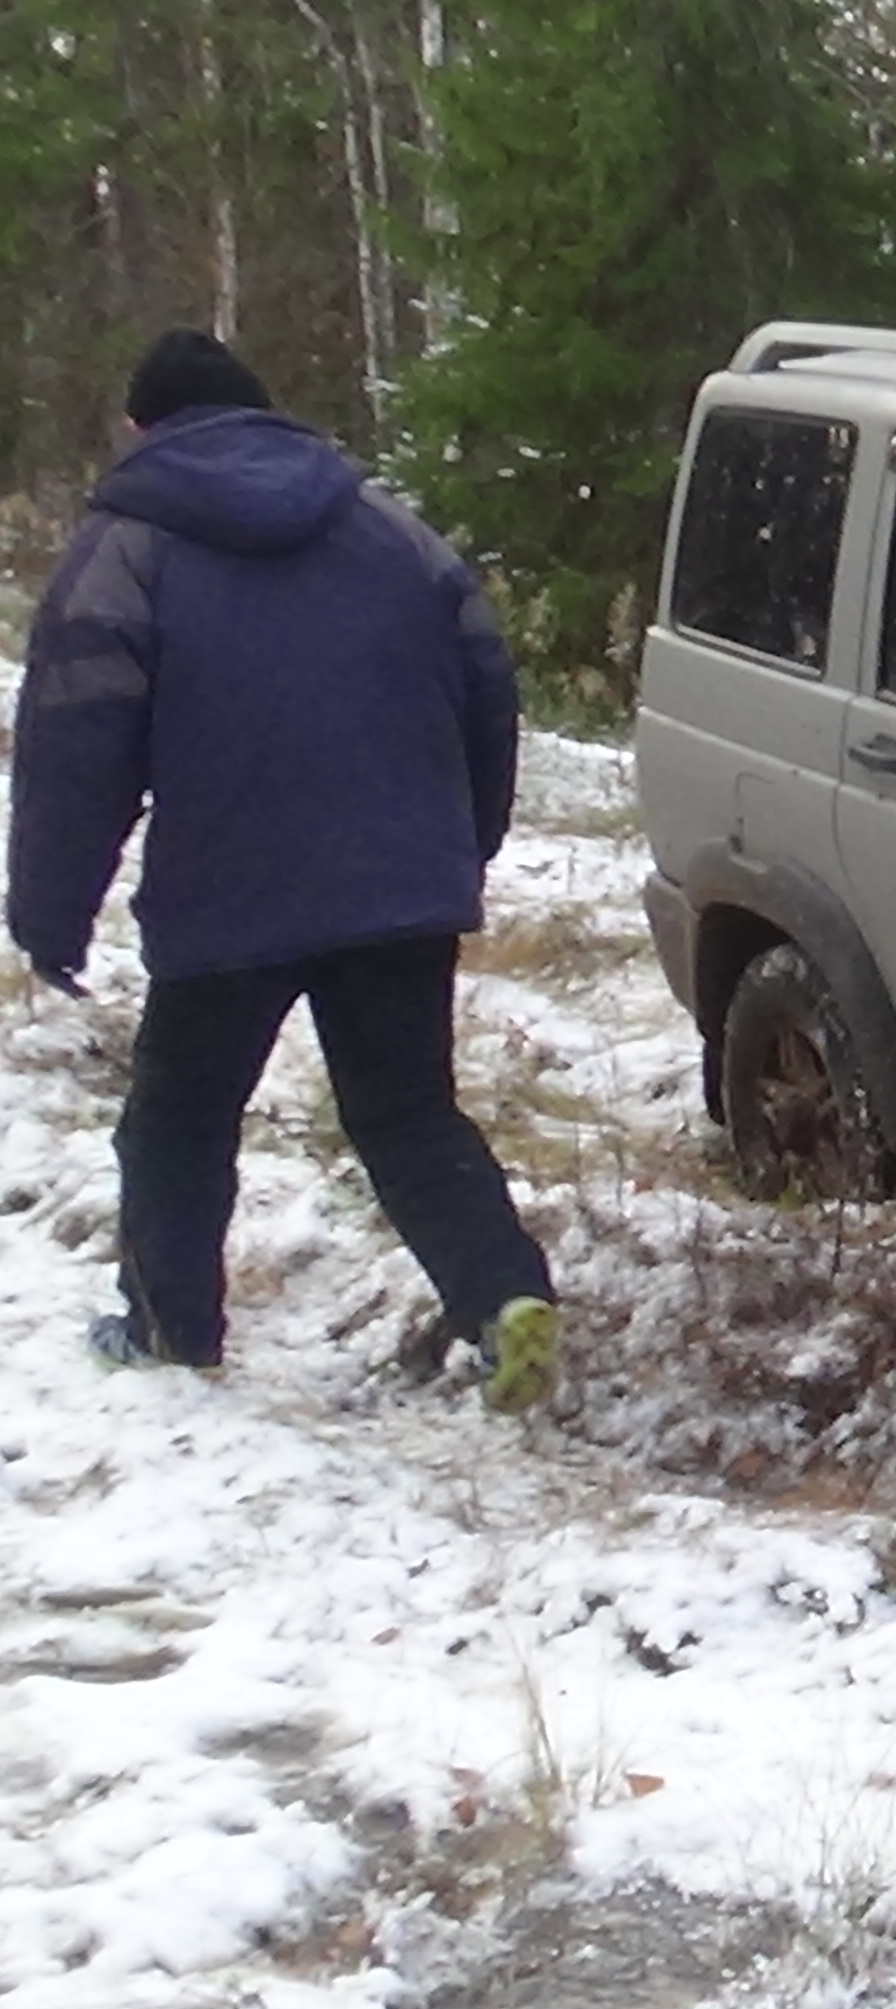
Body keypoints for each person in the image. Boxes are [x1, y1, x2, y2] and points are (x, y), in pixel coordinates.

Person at [8, 329, 560, 1411]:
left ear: (142, 426)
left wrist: (49, 915)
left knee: (178, 1120)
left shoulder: (127, 546)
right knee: (408, 1115)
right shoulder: (392, 528)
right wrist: (464, 841)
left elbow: (76, 744)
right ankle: (506, 1301)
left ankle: (170, 1328)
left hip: (229, 889)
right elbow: (487, 685)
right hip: (399, 883)